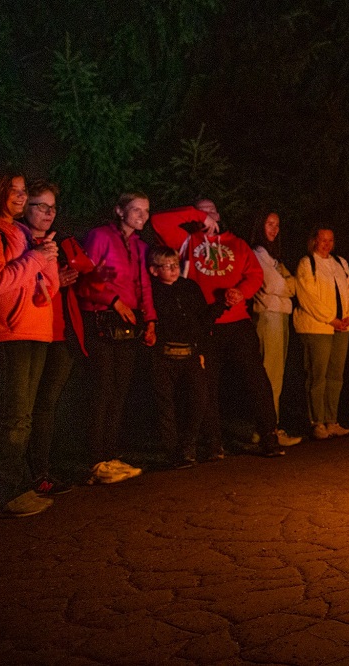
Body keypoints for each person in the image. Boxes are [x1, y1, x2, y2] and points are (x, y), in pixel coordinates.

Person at [150, 198, 284, 458]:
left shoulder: (237, 244)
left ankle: (269, 434)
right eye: (201, 212)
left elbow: (255, 274)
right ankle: (213, 442)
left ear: (219, 215)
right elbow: (157, 221)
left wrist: (241, 292)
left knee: (256, 378)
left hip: (237, 321)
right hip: (205, 323)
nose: (206, 215)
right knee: (207, 384)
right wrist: (198, 218)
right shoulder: (188, 241)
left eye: (210, 211)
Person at [0, 172, 60, 516]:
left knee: (23, 417)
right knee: (10, 417)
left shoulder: (22, 233)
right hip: (8, 331)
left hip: (36, 329)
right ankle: (2, 494)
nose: (18, 195)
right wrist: (35, 259)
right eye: (12, 190)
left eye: (21, 190)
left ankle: (15, 487)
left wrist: (49, 258)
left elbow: (51, 288)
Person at [77, 192, 157, 483]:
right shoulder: (99, 237)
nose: (142, 216)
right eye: (136, 209)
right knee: (102, 390)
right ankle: (94, 461)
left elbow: (143, 285)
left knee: (119, 390)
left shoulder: (139, 245)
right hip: (103, 319)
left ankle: (109, 456)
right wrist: (114, 301)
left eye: (146, 211)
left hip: (128, 323)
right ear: (120, 210)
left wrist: (150, 321)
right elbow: (86, 278)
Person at [22, 180, 87, 496]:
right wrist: (54, 280)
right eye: (41, 206)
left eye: (53, 207)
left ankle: (42, 472)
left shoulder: (54, 243)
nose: (49, 213)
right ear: (25, 207)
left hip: (60, 333)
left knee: (48, 404)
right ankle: (22, 475)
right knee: (23, 407)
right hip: (31, 334)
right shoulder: (17, 240)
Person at [148, 246, 224, 468]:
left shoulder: (189, 287)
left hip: (190, 352)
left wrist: (222, 305)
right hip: (163, 354)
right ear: (154, 270)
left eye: (176, 265)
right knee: (166, 404)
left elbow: (201, 319)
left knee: (200, 398)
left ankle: (188, 444)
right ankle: (172, 452)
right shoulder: (152, 291)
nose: (173, 270)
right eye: (167, 266)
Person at [293, 228, 349, 439]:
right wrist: (331, 318)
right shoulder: (307, 263)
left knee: (335, 375)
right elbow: (308, 297)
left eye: (330, 240)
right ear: (314, 241)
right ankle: (317, 421)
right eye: (322, 240)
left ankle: (332, 419)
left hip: (342, 327)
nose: (326, 244)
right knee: (317, 374)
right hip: (318, 327)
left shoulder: (340, 262)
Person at [250, 211, 301, 446]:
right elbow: (275, 284)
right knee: (270, 374)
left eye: (277, 225)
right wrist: (287, 283)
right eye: (269, 224)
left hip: (280, 314)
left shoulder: (274, 257)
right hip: (268, 315)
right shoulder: (257, 254)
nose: (274, 229)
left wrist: (287, 283)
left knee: (276, 374)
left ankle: (270, 426)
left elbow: (292, 285)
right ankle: (268, 428)